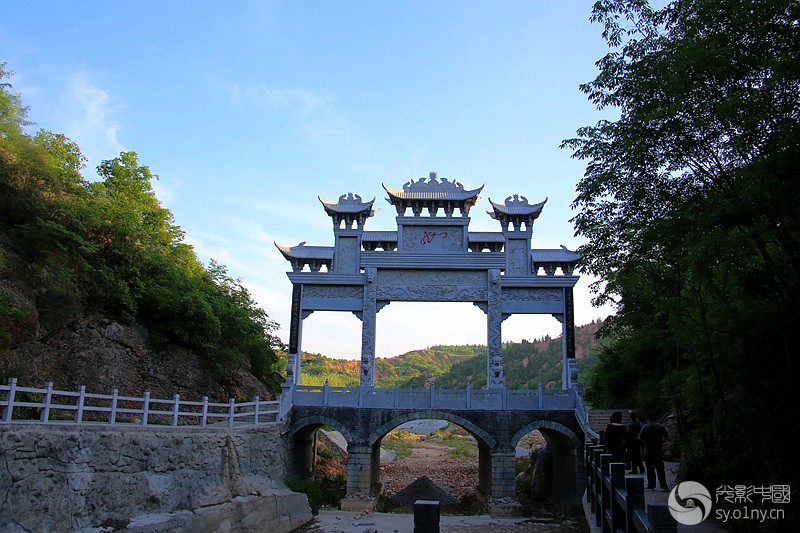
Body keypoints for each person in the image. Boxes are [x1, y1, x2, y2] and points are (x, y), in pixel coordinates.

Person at [639, 414, 671, 491]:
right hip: (658, 451)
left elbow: (640, 437)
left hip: (648, 451)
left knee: (650, 469)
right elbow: (666, 438)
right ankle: (663, 485)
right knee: (660, 469)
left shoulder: (645, 427)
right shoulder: (661, 427)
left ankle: (651, 484)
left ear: (648, 419)